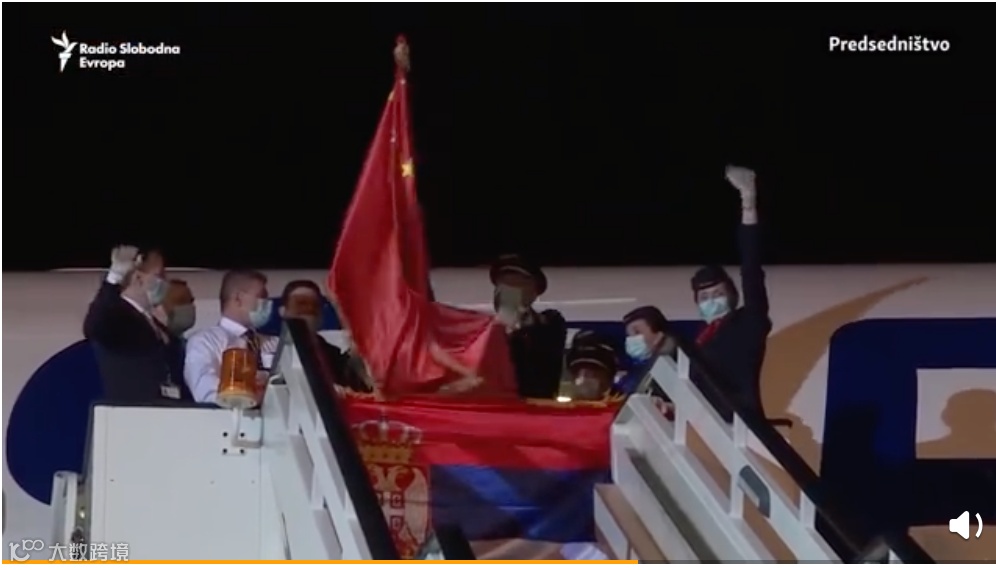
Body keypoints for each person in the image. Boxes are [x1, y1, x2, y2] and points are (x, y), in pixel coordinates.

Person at [688, 165, 771, 421]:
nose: (711, 301)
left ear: (733, 295)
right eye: (704, 298)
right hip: (708, 427)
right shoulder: (701, 339)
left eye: (717, 293)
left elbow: (751, 269)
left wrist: (749, 204)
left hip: (741, 424)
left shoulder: (749, 322)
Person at [83, 245, 190, 403]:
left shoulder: (155, 324)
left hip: (167, 410)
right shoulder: (117, 318)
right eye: (159, 275)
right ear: (138, 278)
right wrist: (114, 278)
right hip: (134, 411)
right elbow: (95, 324)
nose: (165, 282)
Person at [184, 269, 277, 404]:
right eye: (261, 296)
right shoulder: (205, 341)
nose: (267, 303)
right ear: (238, 299)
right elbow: (204, 389)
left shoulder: (275, 343)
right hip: (228, 415)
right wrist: (247, 394)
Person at [490, 254, 567, 400]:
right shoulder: (484, 332)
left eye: (516, 284)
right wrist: (500, 328)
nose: (507, 290)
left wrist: (516, 329)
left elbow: (544, 370)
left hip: (535, 408)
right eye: (503, 283)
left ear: (534, 292)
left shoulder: (549, 323)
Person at [278, 279, 371, 393]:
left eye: (313, 306)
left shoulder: (333, 356)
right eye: (300, 304)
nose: (307, 311)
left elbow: (359, 387)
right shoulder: (270, 351)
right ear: (283, 311)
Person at [616, 306, 678, 395]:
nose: (631, 339)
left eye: (637, 332)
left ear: (658, 336)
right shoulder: (644, 368)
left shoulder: (674, 367)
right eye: (628, 335)